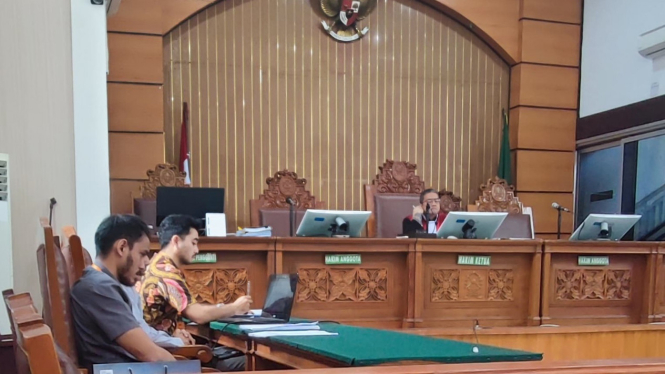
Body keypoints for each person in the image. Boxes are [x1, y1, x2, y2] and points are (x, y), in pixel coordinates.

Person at [140, 214, 251, 372]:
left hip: (160, 346)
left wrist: (175, 330)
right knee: (254, 363)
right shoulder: (166, 273)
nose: (197, 250)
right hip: (164, 357)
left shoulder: (155, 264)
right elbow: (198, 315)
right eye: (193, 243)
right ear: (176, 241)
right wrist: (235, 308)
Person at [70, 215, 175, 372]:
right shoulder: (99, 288)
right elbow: (151, 355)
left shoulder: (100, 282)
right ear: (122, 247)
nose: (147, 262)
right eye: (142, 253)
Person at [121, 283, 193, 348]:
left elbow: (142, 327)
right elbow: (140, 335)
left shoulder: (128, 286)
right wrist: (178, 342)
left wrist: (173, 337)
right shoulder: (119, 286)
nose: (142, 267)